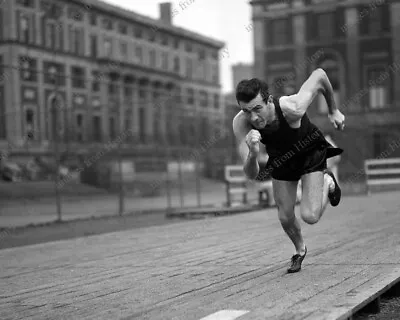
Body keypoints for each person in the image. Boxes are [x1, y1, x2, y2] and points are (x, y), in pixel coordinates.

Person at [232, 68, 345, 273]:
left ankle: (328, 182)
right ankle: (300, 251)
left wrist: (333, 110)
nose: (254, 117)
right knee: (285, 217)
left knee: (310, 216)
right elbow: (251, 174)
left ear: (269, 101)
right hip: (282, 158)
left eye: (257, 108)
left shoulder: (293, 107)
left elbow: (319, 75)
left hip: (309, 151)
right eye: (247, 110)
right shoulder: (241, 124)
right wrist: (252, 153)